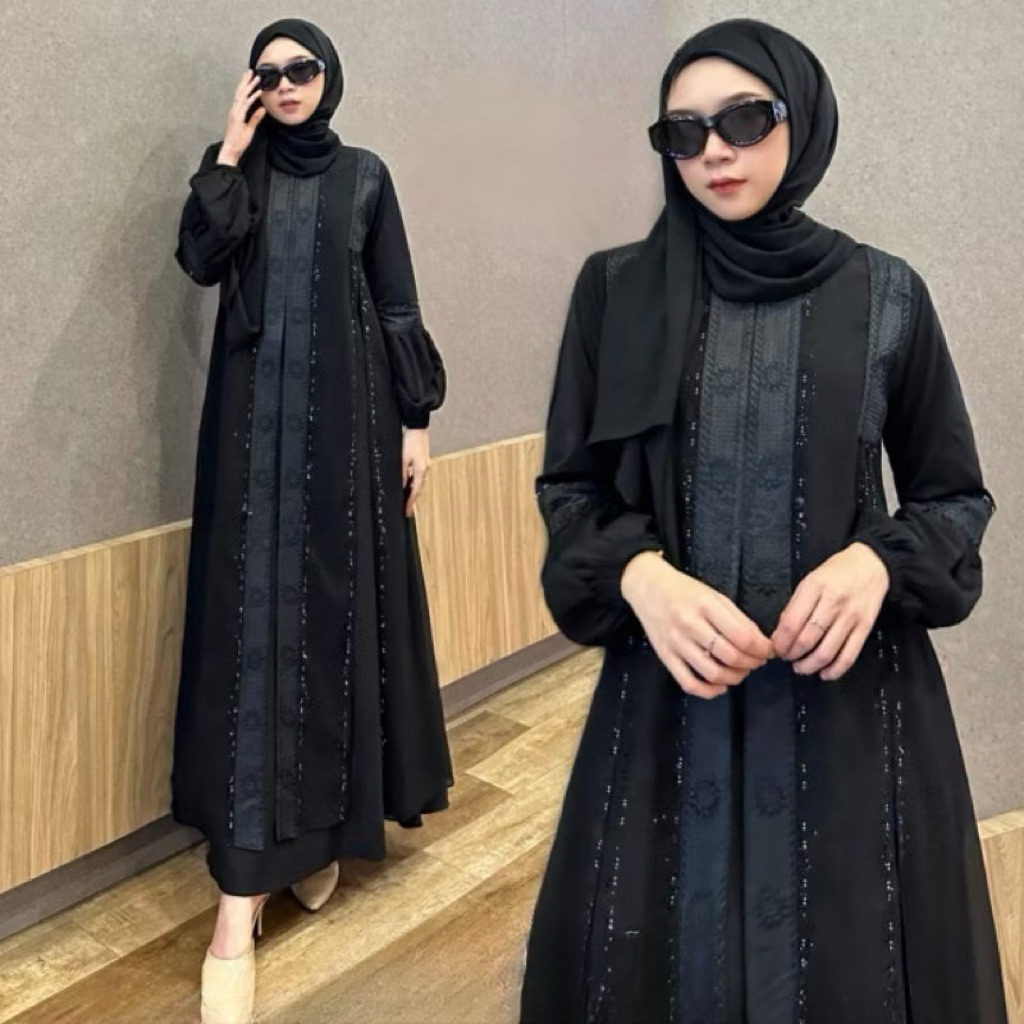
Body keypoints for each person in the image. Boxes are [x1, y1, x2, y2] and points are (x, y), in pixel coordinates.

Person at [520, 18, 1006, 1024]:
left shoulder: (887, 295)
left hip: (851, 708)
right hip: (667, 705)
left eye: (744, 119)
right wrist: (640, 576)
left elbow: (952, 497)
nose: (714, 151)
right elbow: (572, 489)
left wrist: (877, 564)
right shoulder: (616, 292)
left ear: (802, 119)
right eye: (682, 133)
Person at [171, 19, 452, 1023]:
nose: (287, 83)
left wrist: (415, 422)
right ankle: (237, 902)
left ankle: (323, 836)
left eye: (303, 69)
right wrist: (229, 147)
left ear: (330, 78)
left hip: (349, 436)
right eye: (270, 72)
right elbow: (198, 260)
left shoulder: (365, 177)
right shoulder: (237, 177)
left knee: (334, 622)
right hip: (251, 444)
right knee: (254, 641)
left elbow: (395, 303)